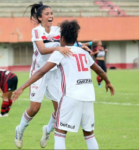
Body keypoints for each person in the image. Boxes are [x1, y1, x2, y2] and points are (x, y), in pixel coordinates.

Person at [13, 20, 114, 149]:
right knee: (89, 134)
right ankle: (30, 130)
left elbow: (42, 71)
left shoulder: (60, 52)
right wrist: (108, 82)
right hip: (89, 97)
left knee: (60, 134)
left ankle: (47, 131)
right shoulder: (83, 53)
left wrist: (22, 87)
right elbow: (99, 70)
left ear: (62, 38)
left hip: (71, 96)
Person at [14, 2, 72, 149]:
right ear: (40, 18)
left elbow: (69, 44)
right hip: (38, 72)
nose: (50, 16)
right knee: (34, 108)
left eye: (51, 13)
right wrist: (59, 47)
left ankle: (47, 131)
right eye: (47, 14)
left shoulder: (59, 30)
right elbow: (42, 50)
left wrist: (81, 45)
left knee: (60, 109)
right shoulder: (37, 31)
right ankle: (19, 130)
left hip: (54, 72)